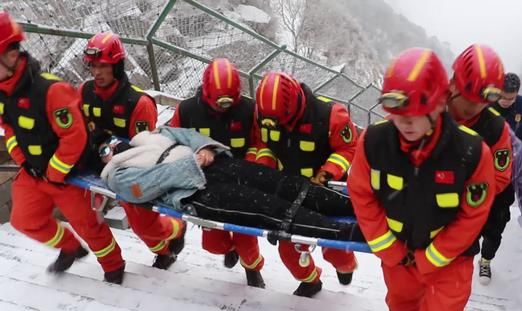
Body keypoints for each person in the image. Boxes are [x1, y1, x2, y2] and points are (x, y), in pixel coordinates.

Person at [348, 48, 496, 311]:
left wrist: (434, 256)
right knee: (401, 305)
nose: (405, 123)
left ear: (440, 103)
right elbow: (361, 193)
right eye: (397, 114)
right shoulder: (374, 142)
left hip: (449, 260)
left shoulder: (471, 152)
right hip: (398, 252)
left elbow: (474, 213)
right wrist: (386, 246)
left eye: (415, 114)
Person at [0, 12, 126, 284]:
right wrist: (22, 159)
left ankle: (114, 266)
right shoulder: (3, 92)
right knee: (24, 220)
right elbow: (8, 128)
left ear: (10, 57)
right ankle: (70, 248)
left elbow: (74, 137)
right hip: (34, 173)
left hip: (67, 176)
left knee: (90, 227)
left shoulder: (51, 90)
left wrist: (56, 172)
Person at [97, 127, 364, 246]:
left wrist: (204, 148)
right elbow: (149, 185)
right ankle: (348, 232)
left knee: (281, 183)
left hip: (215, 166)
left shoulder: (150, 137)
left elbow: (187, 134)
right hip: (197, 193)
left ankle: (354, 206)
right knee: (270, 210)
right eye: (103, 150)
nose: (111, 148)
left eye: (109, 142)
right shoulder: (117, 174)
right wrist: (193, 160)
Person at [80, 31, 186, 270]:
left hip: (131, 171)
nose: (97, 72)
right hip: (96, 166)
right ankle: (165, 253)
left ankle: (177, 227)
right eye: (93, 65)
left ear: (117, 66)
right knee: (85, 217)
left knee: (144, 225)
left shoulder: (138, 103)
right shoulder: (85, 92)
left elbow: (142, 151)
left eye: (103, 66)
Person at [447, 44, 522, 285]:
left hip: (499, 188)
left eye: (487, 98)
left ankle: (485, 260)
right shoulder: (429, 111)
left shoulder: (500, 125)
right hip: (445, 214)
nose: (473, 106)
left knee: (494, 229)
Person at [252, 71, 358, 297]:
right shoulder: (263, 114)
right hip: (289, 190)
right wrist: (264, 166)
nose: (276, 125)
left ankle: (345, 266)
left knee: (336, 250)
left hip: (325, 192)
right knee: (288, 250)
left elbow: (348, 148)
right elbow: (264, 143)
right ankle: (311, 281)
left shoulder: (331, 115)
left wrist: (328, 172)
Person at [169, 58, 264, 287]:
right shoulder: (188, 110)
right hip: (205, 184)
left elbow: (261, 144)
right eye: (220, 101)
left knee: (247, 240)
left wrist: (249, 168)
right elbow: (172, 140)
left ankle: (252, 270)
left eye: (229, 101)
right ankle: (228, 249)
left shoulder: (250, 111)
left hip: (241, 183)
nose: (224, 106)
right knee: (212, 244)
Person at [495, 72, 522, 155]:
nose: (506, 102)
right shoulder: (488, 104)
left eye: (510, 99)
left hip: (515, 152)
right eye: (503, 97)